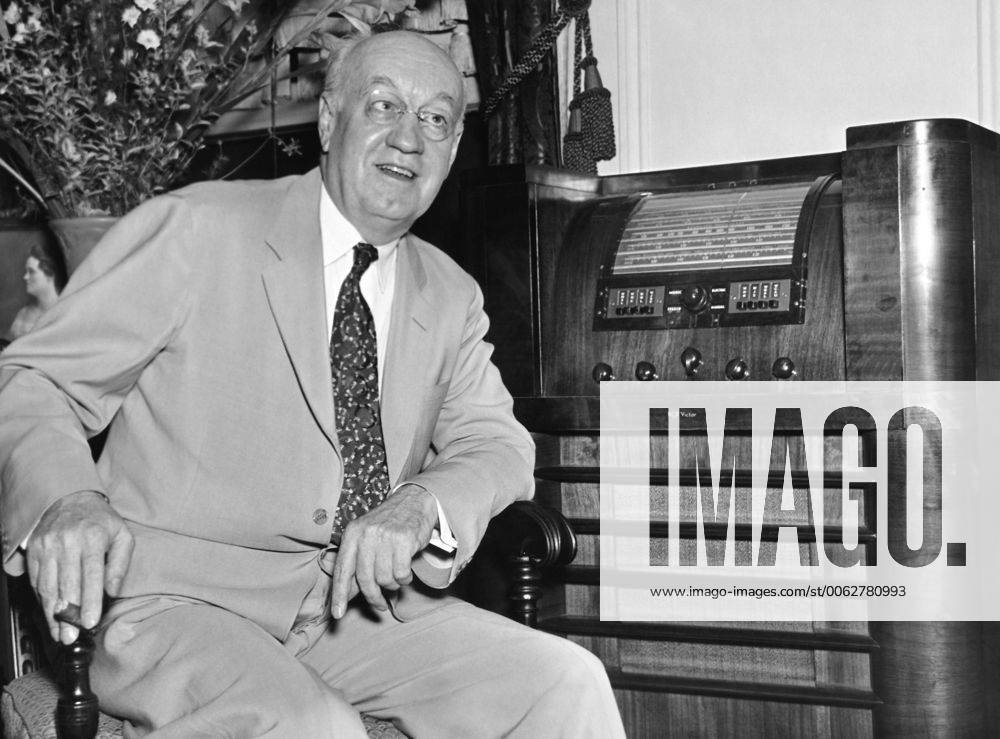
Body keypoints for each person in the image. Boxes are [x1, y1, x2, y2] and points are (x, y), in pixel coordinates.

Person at [0, 30, 625, 738]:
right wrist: (67, 500)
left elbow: (498, 445)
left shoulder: (451, 295)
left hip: (348, 612)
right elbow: (33, 378)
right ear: (329, 121)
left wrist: (424, 502)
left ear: (453, 152)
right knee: (313, 725)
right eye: (384, 105)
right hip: (168, 607)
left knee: (564, 681)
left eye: (436, 120)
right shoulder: (196, 230)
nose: (409, 139)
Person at [2, 245, 61, 344]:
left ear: (50, 275)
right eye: (26, 271)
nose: (25, 277)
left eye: (31, 272)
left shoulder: (64, 311)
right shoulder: (23, 313)